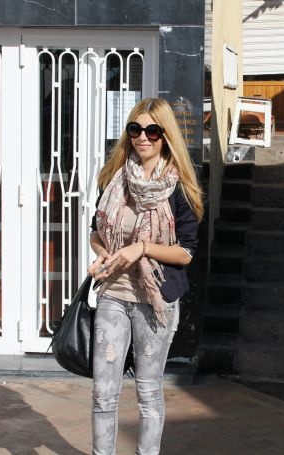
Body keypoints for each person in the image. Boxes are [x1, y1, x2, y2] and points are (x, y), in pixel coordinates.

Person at [87, 97, 204, 455]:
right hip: (113, 293)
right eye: (135, 129)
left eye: (152, 130)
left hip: (155, 301)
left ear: (165, 135)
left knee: (148, 391)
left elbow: (186, 252)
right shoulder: (114, 177)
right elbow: (96, 229)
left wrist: (142, 248)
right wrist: (103, 254)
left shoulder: (179, 187)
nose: (143, 137)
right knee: (103, 392)